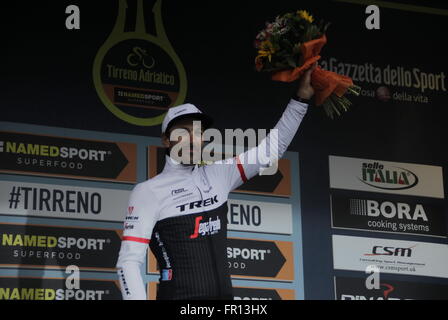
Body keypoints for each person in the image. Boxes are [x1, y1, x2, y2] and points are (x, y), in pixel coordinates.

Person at [116, 63, 317, 300]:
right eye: (183, 132)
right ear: (166, 141)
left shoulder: (220, 174)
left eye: (198, 132)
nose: (192, 139)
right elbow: (127, 263)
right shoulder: (148, 191)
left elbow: (271, 150)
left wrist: (301, 99)